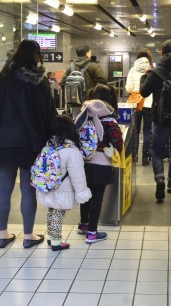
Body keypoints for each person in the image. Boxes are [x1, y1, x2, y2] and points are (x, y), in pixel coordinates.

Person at [0, 39, 57, 249]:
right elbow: (48, 114)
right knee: (27, 189)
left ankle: (3, 235)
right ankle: (28, 236)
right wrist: (51, 137)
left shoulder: (0, 79)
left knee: (4, 189)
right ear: (36, 56)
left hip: (2, 141)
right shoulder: (38, 81)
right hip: (29, 143)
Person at [140, 39, 171, 202]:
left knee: (156, 151)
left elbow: (143, 93)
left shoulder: (155, 73)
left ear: (161, 53)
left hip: (159, 120)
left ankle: (160, 177)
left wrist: (145, 75)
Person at [75, 84, 123, 243]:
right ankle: (92, 233)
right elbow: (118, 142)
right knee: (97, 197)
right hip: (101, 164)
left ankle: (83, 224)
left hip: (84, 162)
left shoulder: (84, 114)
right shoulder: (108, 118)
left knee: (86, 195)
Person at [36, 114, 92, 251]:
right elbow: (77, 175)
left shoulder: (48, 146)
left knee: (51, 211)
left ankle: (51, 237)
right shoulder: (71, 150)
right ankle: (56, 242)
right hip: (62, 189)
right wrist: (82, 192)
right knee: (58, 213)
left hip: (48, 186)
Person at [125, 48, 154, 166]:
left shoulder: (132, 70)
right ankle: (145, 157)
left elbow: (128, 88)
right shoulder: (152, 70)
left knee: (135, 130)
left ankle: (134, 156)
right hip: (149, 103)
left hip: (135, 104)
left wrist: (136, 91)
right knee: (147, 130)